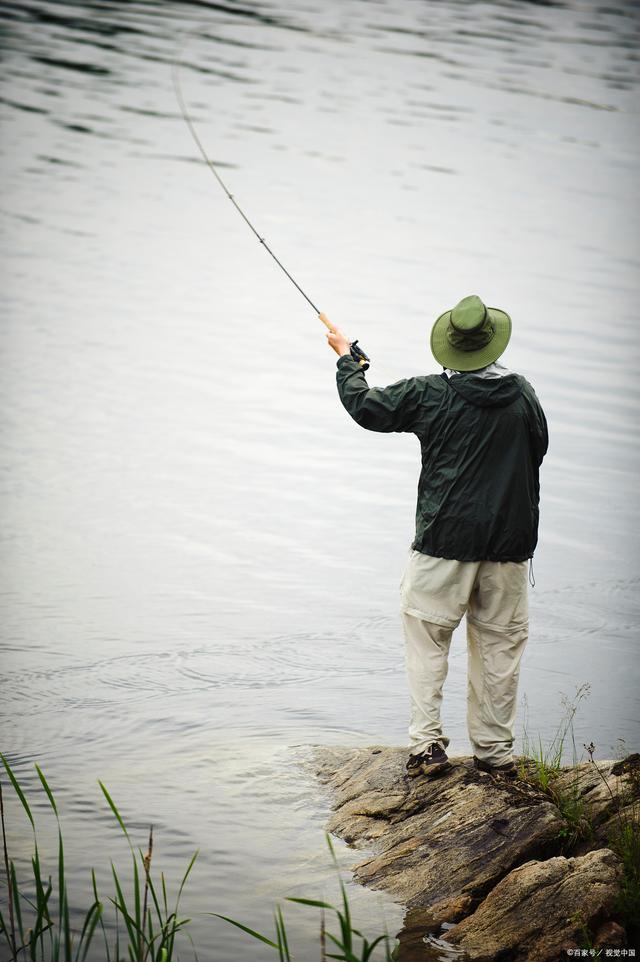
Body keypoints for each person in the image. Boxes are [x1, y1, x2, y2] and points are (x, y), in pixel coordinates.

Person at [325, 294, 548, 780]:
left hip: (444, 542)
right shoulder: (524, 395)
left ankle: (427, 748)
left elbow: (366, 406)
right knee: (499, 651)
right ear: (492, 344)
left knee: (427, 640)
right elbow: (539, 450)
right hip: (509, 548)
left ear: (450, 347)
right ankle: (495, 756)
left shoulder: (430, 394)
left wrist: (349, 361)